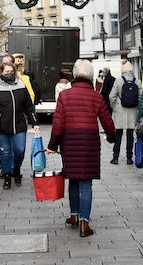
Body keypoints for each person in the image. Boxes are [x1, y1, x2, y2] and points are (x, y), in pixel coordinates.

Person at [47, 59, 115, 237]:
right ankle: (84, 222)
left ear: (74, 74)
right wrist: (111, 137)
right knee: (86, 183)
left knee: (73, 179)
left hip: (70, 141)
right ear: (91, 76)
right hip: (89, 142)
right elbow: (107, 120)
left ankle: (74, 216)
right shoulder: (96, 96)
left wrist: (52, 145)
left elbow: (58, 123)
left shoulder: (64, 95)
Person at [0, 62, 40, 189]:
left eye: (11, 71)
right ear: (1, 72)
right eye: (7, 71)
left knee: (20, 150)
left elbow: (29, 107)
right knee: (5, 152)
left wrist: (34, 122)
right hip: (1, 127)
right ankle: (7, 176)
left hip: (19, 125)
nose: (9, 74)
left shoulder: (21, 86)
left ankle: (16, 169)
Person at [108, 61, 139, 165]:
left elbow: (111, 96)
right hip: (132, 111)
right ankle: (129, 157)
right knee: (130, 134)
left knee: (118, 134)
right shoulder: (137, 81)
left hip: (119, 111)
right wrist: (137, 107)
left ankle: (115, 156)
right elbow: (141, 96)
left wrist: (114, 107)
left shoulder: (118, 81)